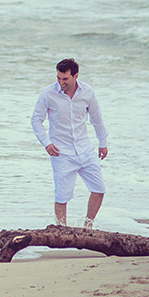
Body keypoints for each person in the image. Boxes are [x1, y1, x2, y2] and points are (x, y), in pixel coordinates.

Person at [30, 58, 109, 229]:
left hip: (85, 149)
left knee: (99, 189)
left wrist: (103, 142)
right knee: (62, 196)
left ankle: (87, 227)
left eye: (65, 79)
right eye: (58, 78)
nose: (61, 82)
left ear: (75, 76)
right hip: (61, 152)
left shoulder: (87, 91)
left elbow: (96, 119)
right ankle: (62, 231)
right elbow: (36, 120)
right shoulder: (48, 94)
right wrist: (46, 143)